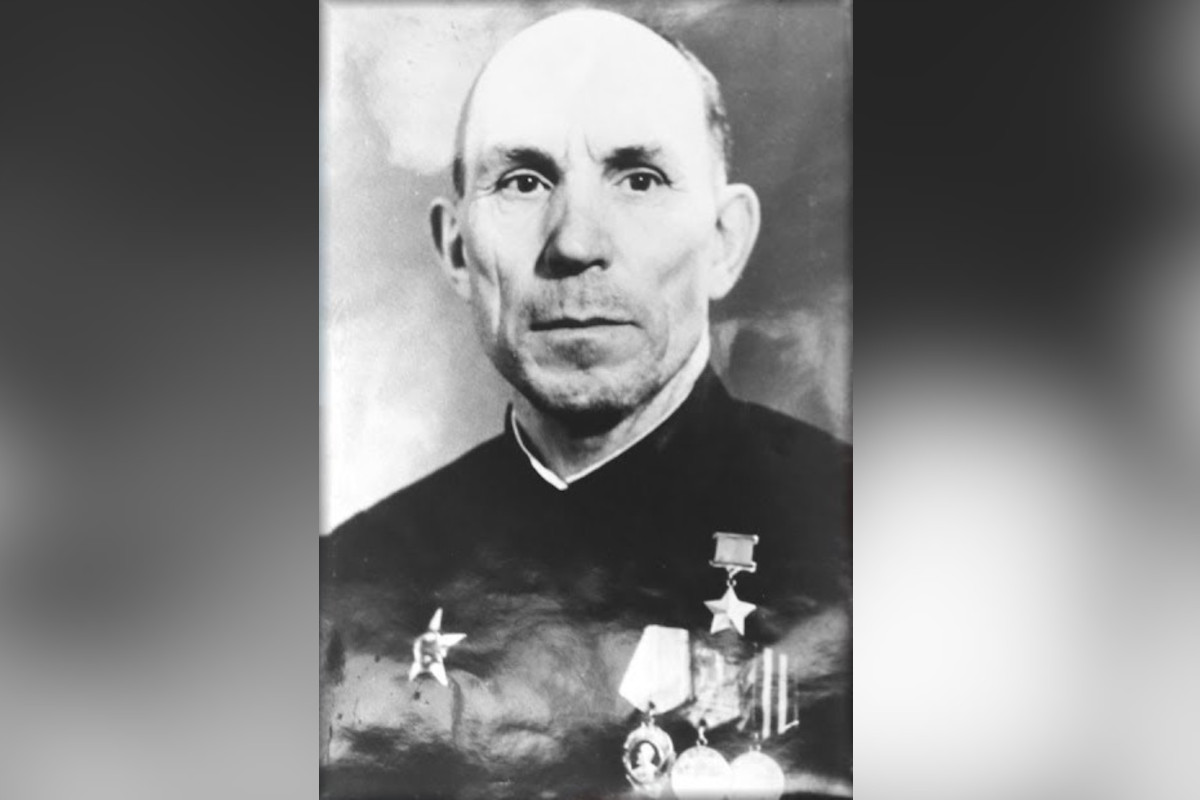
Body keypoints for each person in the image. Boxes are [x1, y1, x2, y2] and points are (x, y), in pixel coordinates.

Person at [321, 9, 850, 798]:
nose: (574, 242)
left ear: (725, 240)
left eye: (639, 179)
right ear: (457, 249)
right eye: (523, 181)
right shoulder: (344, 594)